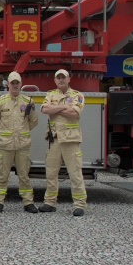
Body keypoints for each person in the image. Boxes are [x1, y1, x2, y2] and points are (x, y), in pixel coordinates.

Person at [0, 72, 38, 213]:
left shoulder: (28, 102)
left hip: (22, 144)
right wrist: (9, 133)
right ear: (8, 84)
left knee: (24, 175)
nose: (15, 85)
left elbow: (34, 121)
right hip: (5, 144)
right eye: (12, 83)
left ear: (21, 84)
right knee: (2, 175)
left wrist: (20, 132)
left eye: (17, 83)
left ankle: (28, 202)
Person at [41, 69, 88, 216]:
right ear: (55, 80)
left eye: (63, 78)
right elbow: (44, 109)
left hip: (70, 140)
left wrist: (54, 109)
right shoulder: (50, 94)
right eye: (58, 78)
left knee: (75, 173)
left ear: (69, 79)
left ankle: (80, 205)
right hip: (54, 139)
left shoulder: (77, 95)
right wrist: (63, 107)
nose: (61, 80)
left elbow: (74, 113)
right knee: (51, 173)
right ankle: (50, 202)